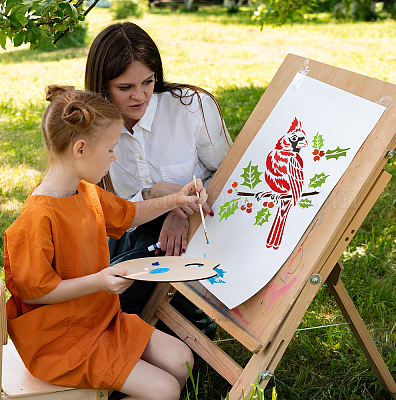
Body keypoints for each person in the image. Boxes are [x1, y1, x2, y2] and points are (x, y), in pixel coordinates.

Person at [4, 85, 209, 400]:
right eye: (111, 149)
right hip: (61, 342)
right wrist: (99, 281)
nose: (114, 156)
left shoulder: (85, 192)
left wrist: (175, 199)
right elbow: (40, 293)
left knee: (182, 362)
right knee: (166, 390)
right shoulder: (36, 220)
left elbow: (131, 214)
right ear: (81, 149)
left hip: (101, 320)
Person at [84, 22, 232, 329]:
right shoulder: (93, 127)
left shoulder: (191, 107)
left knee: (113, 301)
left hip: (197, 232)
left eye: (148, 83)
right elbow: (105, 209)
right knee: (97, 287)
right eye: (124, 88)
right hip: (131, 231)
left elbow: (231, 171)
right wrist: (155, 197)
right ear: (102, 87)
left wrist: (181, 211)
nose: (140, 96)